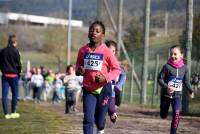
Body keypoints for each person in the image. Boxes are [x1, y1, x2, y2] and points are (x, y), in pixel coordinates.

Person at [76, 21, 120, 134]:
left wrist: (105, 77)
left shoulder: (107, 52)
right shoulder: (82, 50)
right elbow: (78, 67)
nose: (93, 33)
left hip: (104, 90)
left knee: (100, 122)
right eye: (91, 30)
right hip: (89, 90)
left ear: (103, 35)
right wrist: (79, 70)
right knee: (88, 119)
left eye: (97, 31)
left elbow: (116, 69)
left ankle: (100, 129)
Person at [158, 45, 194, 134]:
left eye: (175, 54)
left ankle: (173, 132)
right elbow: (159, 78)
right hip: (165, 95)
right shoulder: (167, 66)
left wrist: (191, 90)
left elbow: (186, 81)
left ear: (181, 55)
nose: (173, 56)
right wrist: (167, 87)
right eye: (171, 54)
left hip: (177, 96)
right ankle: (162, 109)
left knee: (177, 112)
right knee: (163, 115)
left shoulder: (184, 68)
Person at [0, 34, 22, 119]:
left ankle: (6, 114)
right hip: (14, 76)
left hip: (5, 75)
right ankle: (13, 112)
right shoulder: (16, 51)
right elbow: (19, 64)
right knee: (15, 94)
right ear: (15, 42)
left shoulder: (2, 51)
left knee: (4, 95)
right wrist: (19, 74)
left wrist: (2, 70)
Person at [105, 40, 126, 123]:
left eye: (113, 51)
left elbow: (123, 76)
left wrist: (119, 85)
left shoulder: (118, 64)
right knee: (101, 109)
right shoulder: (102, 62)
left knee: (110, 108)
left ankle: (113, 111)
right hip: (101, 89)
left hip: (113, 90)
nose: (111, 52)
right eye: (109, 50)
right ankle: (100, 127)